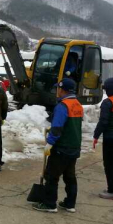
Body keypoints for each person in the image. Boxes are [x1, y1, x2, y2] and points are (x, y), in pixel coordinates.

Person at [33, 78, 83, 213]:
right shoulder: (77, 104)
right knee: (69, 176)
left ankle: (50, 204)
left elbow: (57, 127)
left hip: (62, 147)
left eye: (58, 88)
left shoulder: (63, 106)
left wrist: (50, 143)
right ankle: (70, 203)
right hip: (74, 146)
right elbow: (71, 125)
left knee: (51, 175)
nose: (57, 90)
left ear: (62, 89)